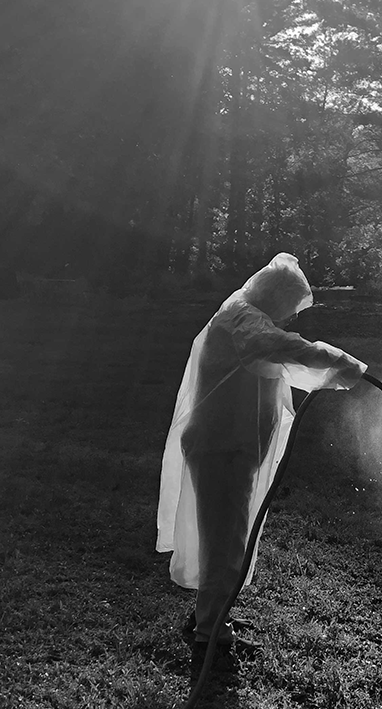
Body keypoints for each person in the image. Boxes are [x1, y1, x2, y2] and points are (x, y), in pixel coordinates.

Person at [156, 252, 369, 654]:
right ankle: (209, 639)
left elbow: (274, 350)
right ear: (273, 297)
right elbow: (277, 343)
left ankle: (209, 616)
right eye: (288, 310)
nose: (289, 319)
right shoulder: (243, 318)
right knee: (225, 541)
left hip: (230, 447)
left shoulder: (243, 315)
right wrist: (340, 360)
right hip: (223, 448)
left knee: (226, 538)